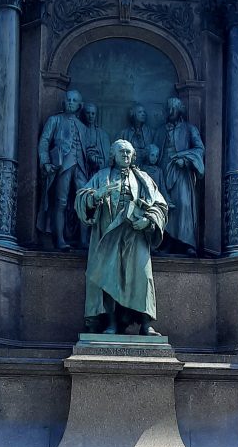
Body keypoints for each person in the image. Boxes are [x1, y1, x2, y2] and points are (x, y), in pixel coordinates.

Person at [75, 138, 168, 335]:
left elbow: (160, 206)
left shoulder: (143, 179)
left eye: (128, 152)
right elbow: (81, 198)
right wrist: (95, 196)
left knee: (143, 276)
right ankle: (111, 324)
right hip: (108, 234)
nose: (125, 155)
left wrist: (148, 221)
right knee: (108, 277)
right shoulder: (101, 177)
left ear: (133, 156)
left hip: (135, 234)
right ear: (113, 155)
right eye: (121, 151)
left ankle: (146, 324)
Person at [37, 90, 88, 251]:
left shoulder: (83, 127)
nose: (70, 102)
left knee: (84, 201)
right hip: (62, 167)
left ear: (79, 105)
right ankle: (59, 239)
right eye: (68, 99)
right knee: (61, 201)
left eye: (74, 100)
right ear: (64, 102)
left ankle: (84, 240)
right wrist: (45, 162)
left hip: (81, 168)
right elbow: (44, 141)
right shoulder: (55, 120)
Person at [160, 96, 204, 254]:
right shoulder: (161, 130)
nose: (170, 111)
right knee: (164, 206)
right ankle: (166, 242)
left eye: (173, 108)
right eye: (168, 108)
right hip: (163, 171)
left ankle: (187, 243)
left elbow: (199, 149)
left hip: (181, 173)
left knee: (184, 204)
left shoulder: (189, 129)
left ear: (179, 110)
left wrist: (185, 160)